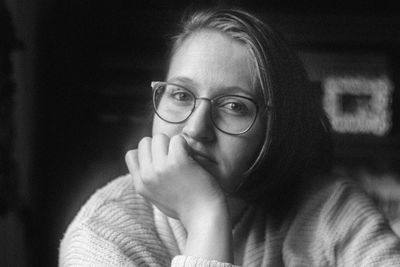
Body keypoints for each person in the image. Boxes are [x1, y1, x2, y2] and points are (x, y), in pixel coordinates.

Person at [59, 7, 400, 266]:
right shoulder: (103, 235)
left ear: (275, 127)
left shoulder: (331, 212)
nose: (195, 129)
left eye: (235, 106)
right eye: (180, 95)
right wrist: (206, 216)